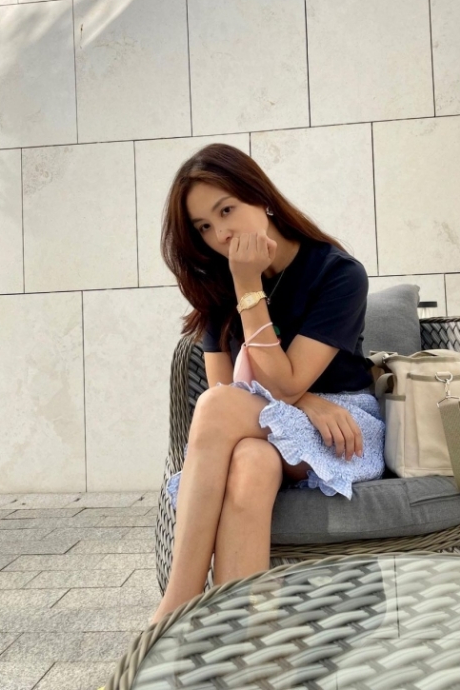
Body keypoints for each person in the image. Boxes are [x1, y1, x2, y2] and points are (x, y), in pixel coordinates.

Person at [150, 142, 385, 625]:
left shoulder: (337, 273)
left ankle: (176, 608)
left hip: (342, 430)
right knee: (249, 461)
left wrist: (248, 286)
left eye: (226, 210)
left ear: (261, 197)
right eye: (204, 227)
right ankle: (246, 640)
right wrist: (305, 402)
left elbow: (279, 383)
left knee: (217, 408)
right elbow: (230, 396)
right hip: (275, 422)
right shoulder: (218, 284)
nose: (221, 234)